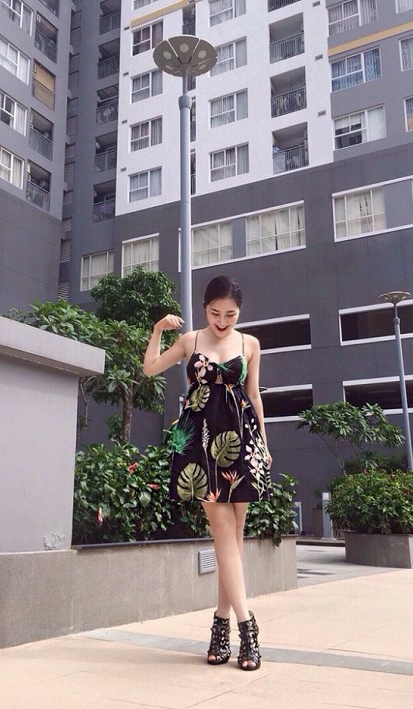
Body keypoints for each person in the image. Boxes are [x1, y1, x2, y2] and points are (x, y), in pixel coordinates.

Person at [143, 275, 272, 671]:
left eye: (230, 314)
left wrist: (264, 444)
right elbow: (149, 369)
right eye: (215, 313)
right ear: (204, 309)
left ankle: (220, 624)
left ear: (240, 312)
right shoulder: (190, 341)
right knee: (222, 531)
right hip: (200, 442)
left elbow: (254, 394)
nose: (222, 321)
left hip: (241, 439)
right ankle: (247, 628)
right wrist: (157, 331)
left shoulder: (250, 344)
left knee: (233, 540)